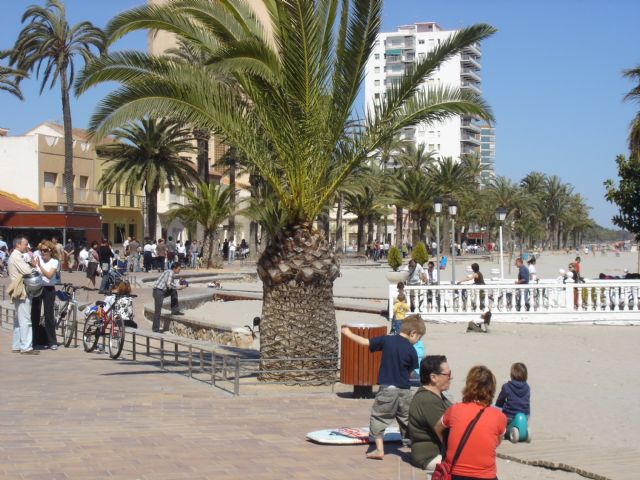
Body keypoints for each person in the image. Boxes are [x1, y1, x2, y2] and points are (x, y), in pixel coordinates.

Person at [341, 315, 426, 460]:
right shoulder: (412, 350)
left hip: (387, 389)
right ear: (413, 333)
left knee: (379, 417)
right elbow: (411, 373)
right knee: (407, 419)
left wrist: (348, 333)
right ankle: (413, 448)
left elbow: (365, 342)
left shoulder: (387, 340)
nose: (417, 341)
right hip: (405, 391)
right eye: (419, 338)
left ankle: (379, 450)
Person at [435, 365, 507, 480]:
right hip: (485, 475)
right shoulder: (499, 417)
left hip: (455, 473)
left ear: (468, 386)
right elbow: (497, 442)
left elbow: (438, 428)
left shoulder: (455, 410)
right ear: (491, 388)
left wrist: (448, 445)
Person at [409, 355, 453, 478]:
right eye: (447, 374)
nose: (451, 377)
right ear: (433, 377)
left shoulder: (436, 395)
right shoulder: (428, 400)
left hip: (437, 452)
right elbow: (447, 432)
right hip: (430, 456)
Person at [8, 236, 39, 354]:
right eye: (25, 244)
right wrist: (33, 265)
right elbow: (27, 271)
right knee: (25, 319)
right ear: (18, 245)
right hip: (22, 290)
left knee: (19, 320)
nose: (27, 246)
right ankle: (26, 347)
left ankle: (16, 345)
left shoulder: (17, 255)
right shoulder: (16, 256)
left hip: (19, 289)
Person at [31, 240, 60, 350]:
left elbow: (49, 275)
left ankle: (52, 341)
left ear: (50, 251)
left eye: (45, 250)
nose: (43, 252)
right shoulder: (38, 258)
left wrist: (39, 266)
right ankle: (33, 340)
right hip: (38, 287)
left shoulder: (54, 261)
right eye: (41, 250)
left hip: (49, 289)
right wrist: (33, 265)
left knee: (49, 315)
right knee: (35, 314)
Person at [151, 263, 187, 332]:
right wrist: (179, 287)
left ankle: (175, 310)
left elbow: (171, 285)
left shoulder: (170, 272)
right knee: (158, 311)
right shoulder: (170, 272)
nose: (179, 271)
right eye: (179, 269)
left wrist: (179, 286)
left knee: (173, 291)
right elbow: (169, 284)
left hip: (161, 291)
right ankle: (155, 329)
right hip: (158, 292)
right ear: (175, 268)